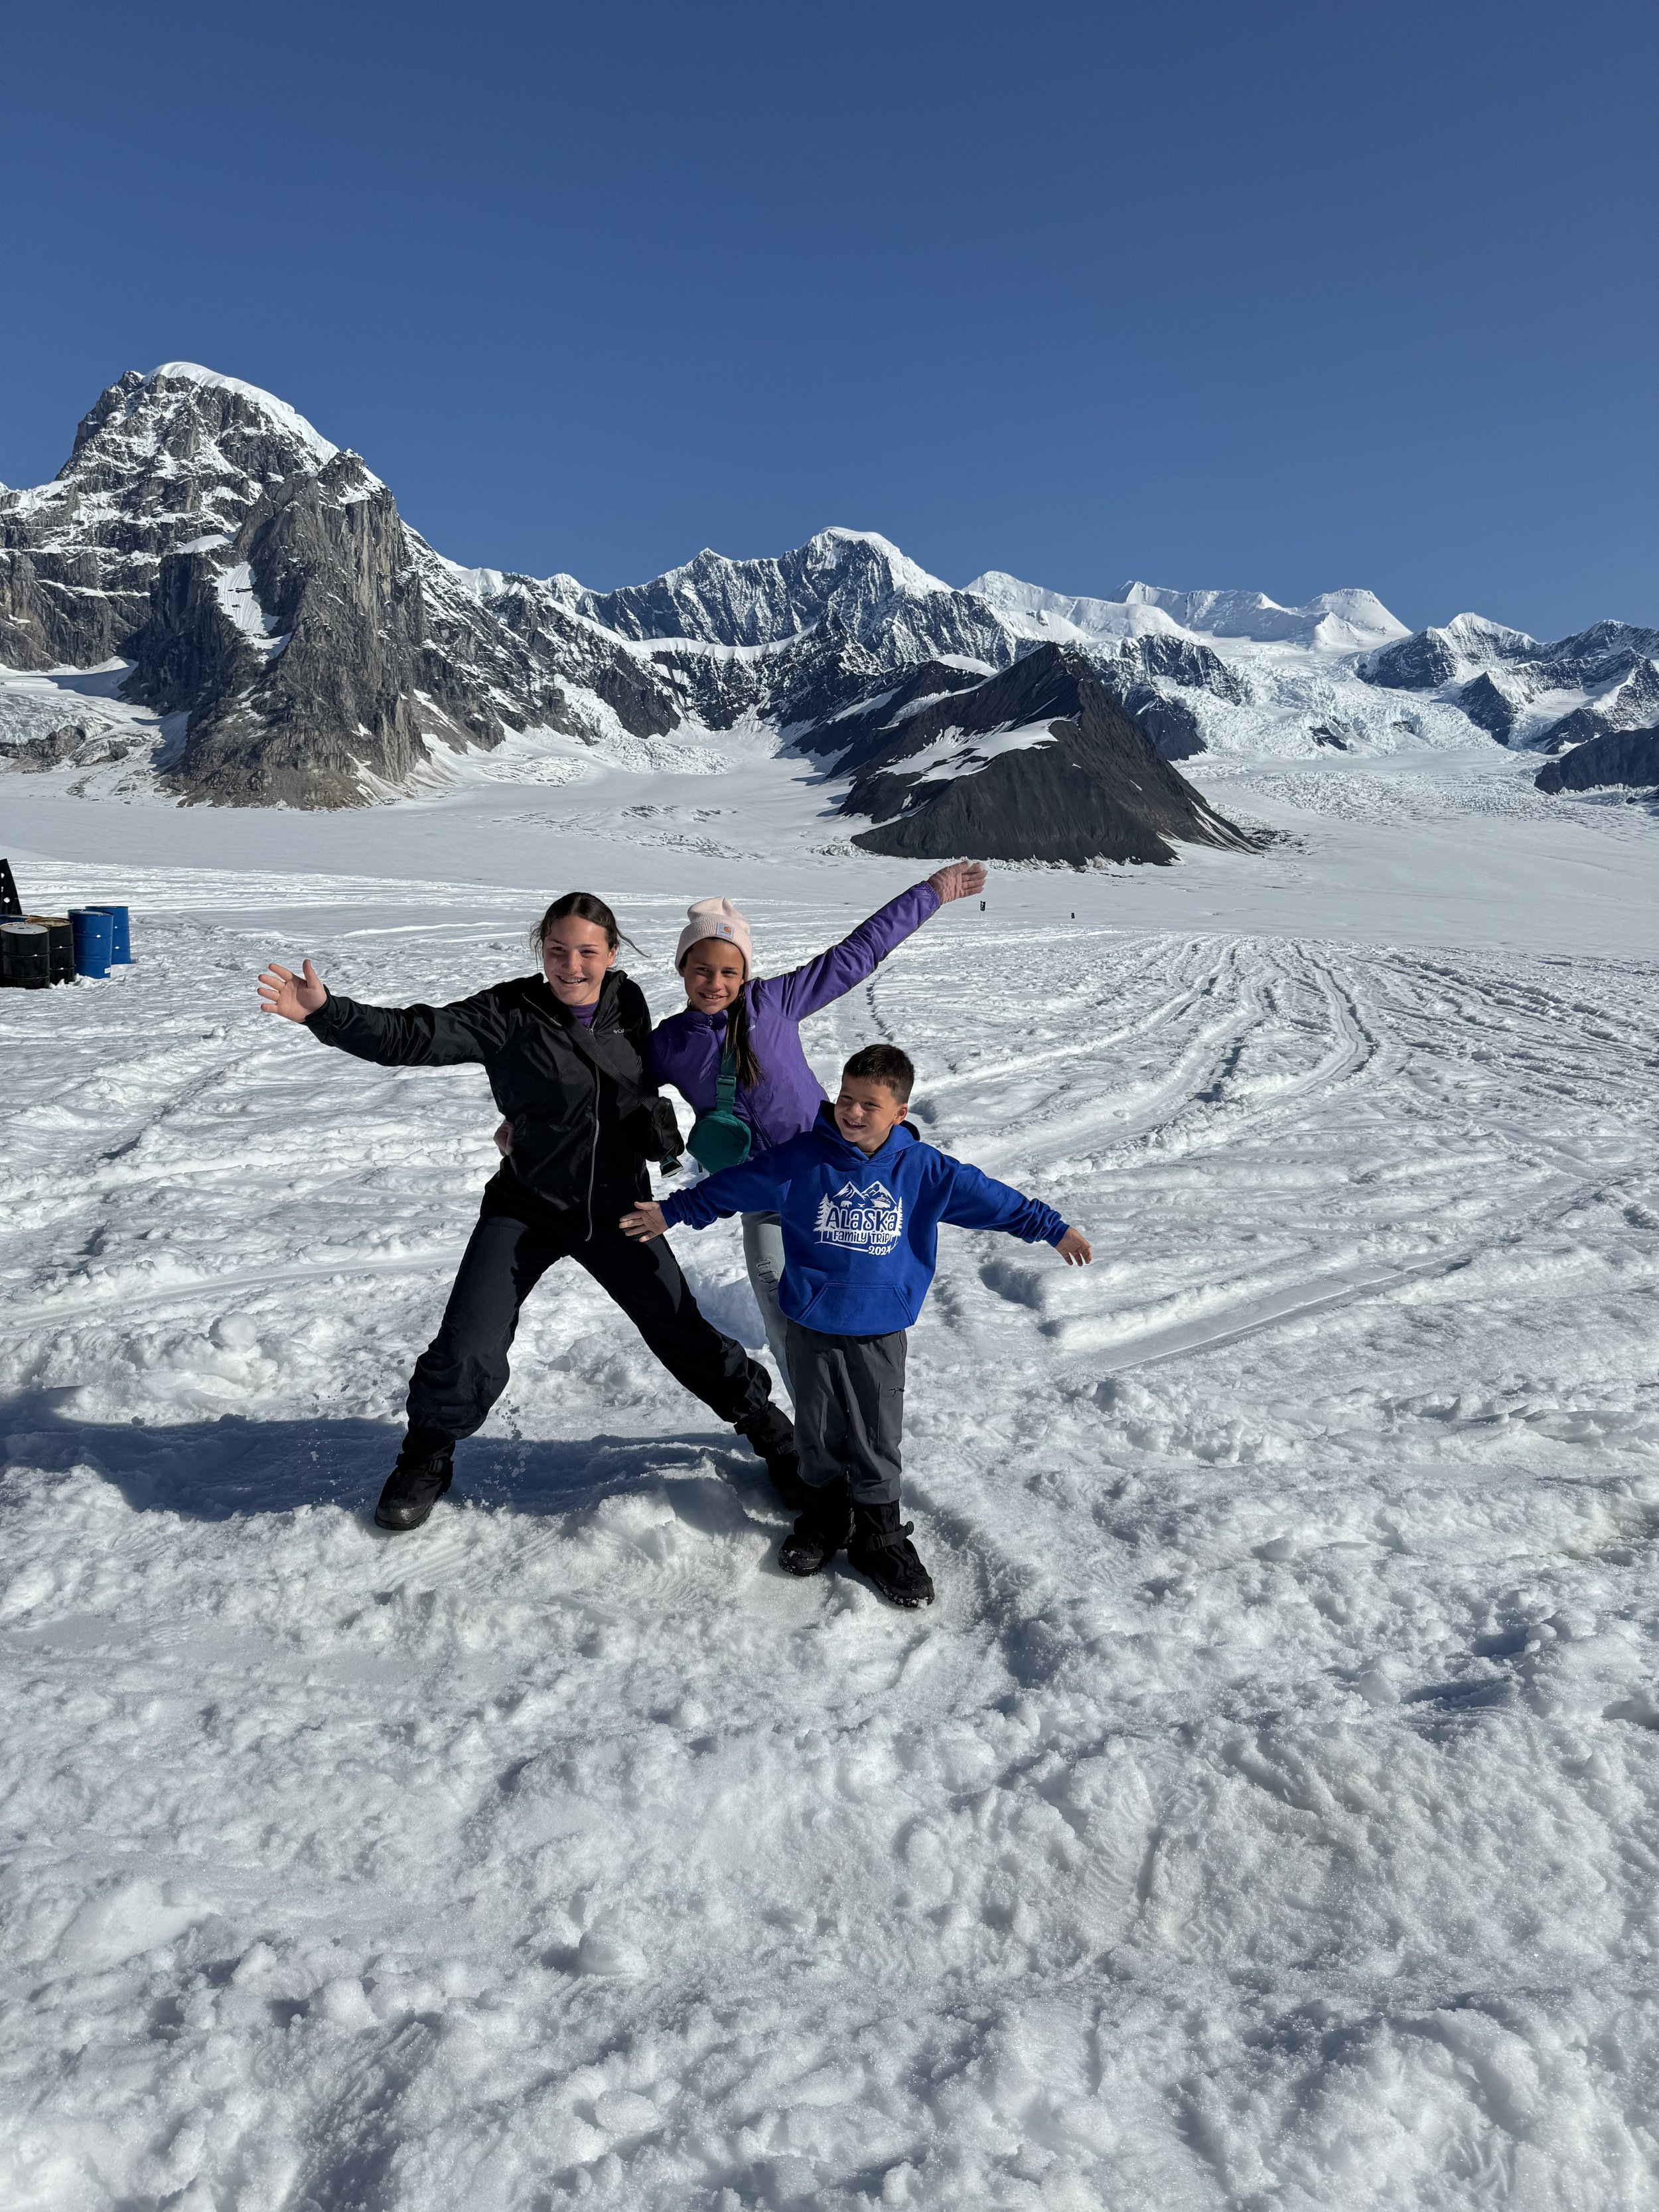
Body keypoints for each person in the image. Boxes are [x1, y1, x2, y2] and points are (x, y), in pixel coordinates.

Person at [257, 893, 796, 1533]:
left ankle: (771, 1432)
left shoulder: (628, 1003)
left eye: (587, 951)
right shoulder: (507, 1012)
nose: (572, 965)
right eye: (557, 950)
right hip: (528, 1206)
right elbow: (413, 1035)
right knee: (469, 1339)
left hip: (618, 1209)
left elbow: (637, 1082)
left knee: (683, 1330)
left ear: (612, 954)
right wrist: (327, 1013)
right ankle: (426, 1455)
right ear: (541, 950)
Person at [621, 1043, 1092, 1607]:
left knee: (875, 1432)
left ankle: (880, 1536)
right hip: (811, 1323)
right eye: (846, 1098)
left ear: (899, 1112)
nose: (852, 1112)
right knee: (817, 1428)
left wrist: (1050, 1227)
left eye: (870, 1104)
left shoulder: (922, 1170)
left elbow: (992, 1198)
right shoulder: (803, 1159)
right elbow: (734, 1187)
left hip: (879, 1328)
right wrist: (672, 1211)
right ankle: (825, 1519)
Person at [643, 863, 986, 1396]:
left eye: (729, 972)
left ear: (745, 974)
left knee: (848, 1306)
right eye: (703, 970)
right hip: (761, 1195)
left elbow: (857, 953)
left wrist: (931, 893)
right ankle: (816, 1431)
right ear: (683, 968)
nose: (716, 984)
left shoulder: (774, 1002)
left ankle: (864, 1412)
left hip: (831, 1182)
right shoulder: (668, 1043)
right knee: (782, 1312)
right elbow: (610, 1087)